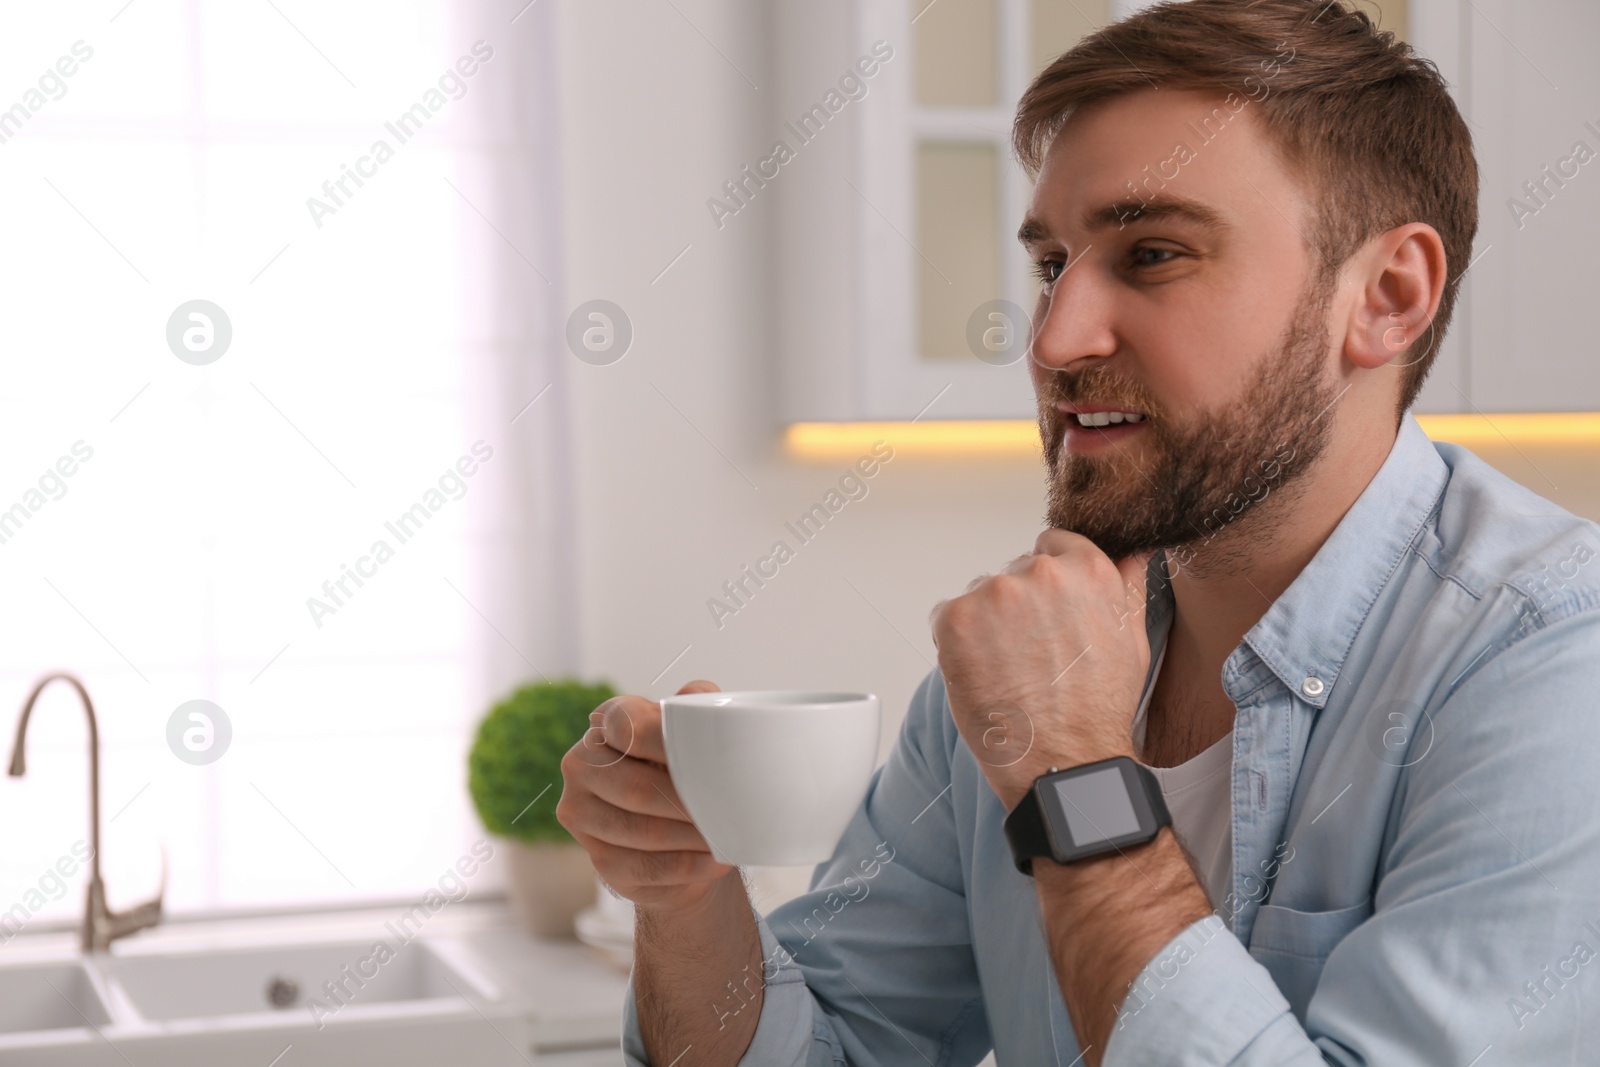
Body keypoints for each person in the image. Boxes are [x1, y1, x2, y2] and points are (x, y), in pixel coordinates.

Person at [556, 1, 1600, 1063]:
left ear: (1386, 294)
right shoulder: (1018, 668)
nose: (1054, 338)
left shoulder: (1553, 658)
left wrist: (1071, 776)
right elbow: (835, 1047)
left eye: (1150, 254)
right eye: (1052, 263)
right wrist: (684, 901)